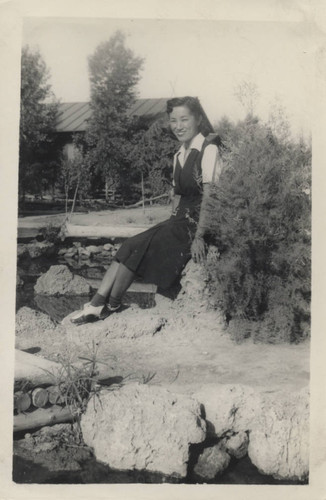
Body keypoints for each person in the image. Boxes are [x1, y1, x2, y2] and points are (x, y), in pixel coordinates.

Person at [71, 96, 222, 325]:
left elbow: (211, 197)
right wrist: (169, 223)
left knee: (139, 246)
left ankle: (111, 305)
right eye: (173, 120)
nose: (178, 126)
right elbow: (177, 196)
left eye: (184, 119)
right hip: (178, 221)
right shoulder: (179, 155)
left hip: (195, 224)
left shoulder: (208, 150)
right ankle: (96, 304)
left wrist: (200, 236)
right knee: (130, 244)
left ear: (198, 119)